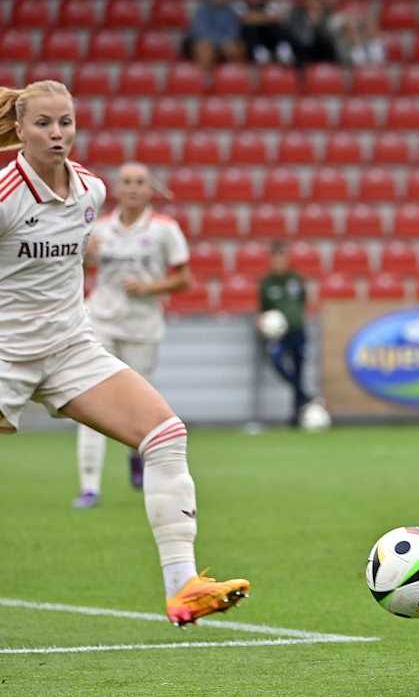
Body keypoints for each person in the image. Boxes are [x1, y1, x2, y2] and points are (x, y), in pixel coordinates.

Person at [0, 80, 249, 625]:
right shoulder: (4, 195)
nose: (57, 133)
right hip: (5, 353)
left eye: (65, 121)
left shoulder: (90, 191)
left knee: (165, 435)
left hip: (71, 348)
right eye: (43, 123)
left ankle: (183, 586)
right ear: (19, 130)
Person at [74, 163, 193, 508]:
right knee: (89, 402)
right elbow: (77, 268)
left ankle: (135, 456)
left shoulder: (164, 229)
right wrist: (87, 258)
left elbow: (185, 279)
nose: (133, 188)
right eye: (126, 182)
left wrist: (150, 287)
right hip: (99, 321)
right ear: (116, 188)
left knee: (137, 404)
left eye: (140, 182)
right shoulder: (98, 227)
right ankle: (89, 487)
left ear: (151, 189)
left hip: (143, 327)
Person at [259, 242, 313, 427]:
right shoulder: (267, 283)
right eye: (276, 258)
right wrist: (263, 324)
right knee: (278, 363)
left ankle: (296, 417)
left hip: (298, 332)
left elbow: (303, 302)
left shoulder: (296, 279)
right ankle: (305, 395)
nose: (279, 262)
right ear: (272, 260)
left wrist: (300, 319)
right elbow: (262, 310)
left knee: (299, 372)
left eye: (283, 258)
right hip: (278, 336)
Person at [187, 0, 244, 72]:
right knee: (204, 48)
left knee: (238, 48)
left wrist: (227, 41)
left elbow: (233, 31)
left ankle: (236, 78)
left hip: (224, 42)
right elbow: (201, 32)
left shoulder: (230, 10)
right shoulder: (202, 10)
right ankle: (206, 80)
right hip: (206, 42)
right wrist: (220, 42)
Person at [237, 0, 294, 65]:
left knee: (276, 27)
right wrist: (265, 18)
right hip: (251, 41)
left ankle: (283, 51)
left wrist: (255, 18)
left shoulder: (269, 4)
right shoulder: (241, 4)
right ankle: (262, 55)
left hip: (268, 36)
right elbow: (244, 19)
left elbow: (276, 18)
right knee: (249, 29)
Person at [286, 0, 338, 67]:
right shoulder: (297, 14)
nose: (312, 2)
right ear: (305, 0)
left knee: (328, 44)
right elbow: (296, 36)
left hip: (320, 49)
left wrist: (317, 26)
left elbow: (329, 37)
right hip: (303, 49)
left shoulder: (325, 14)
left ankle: (331, 68)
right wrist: (309, 25)